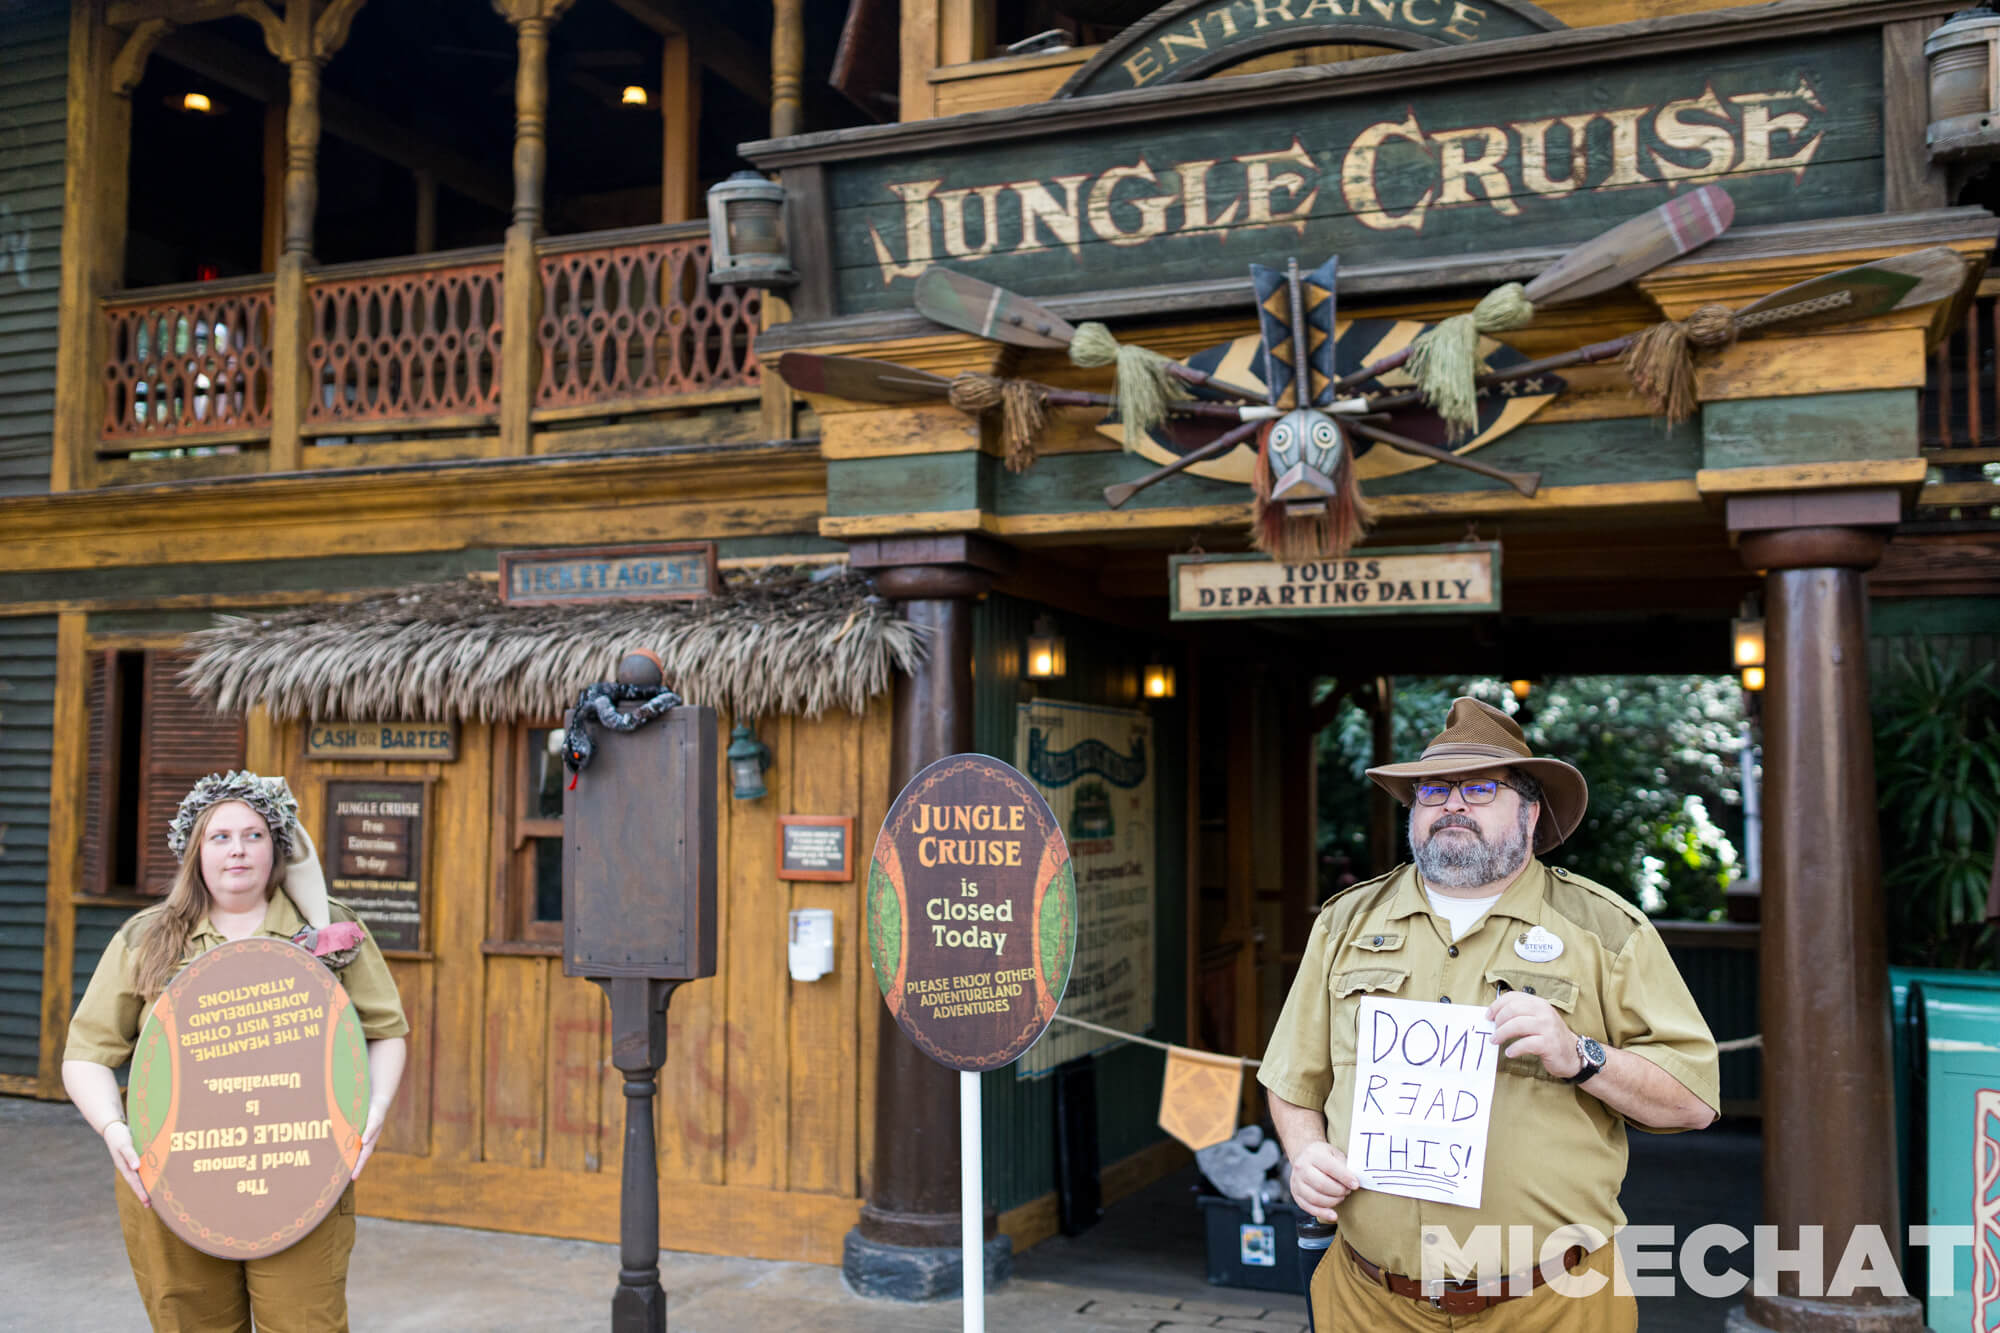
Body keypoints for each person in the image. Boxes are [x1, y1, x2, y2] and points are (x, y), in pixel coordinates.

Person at [1260, 697, 1719, 1329]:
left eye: (1479, 789)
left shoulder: (1608, 932)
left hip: (1552, 1303)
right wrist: (1306, 1154)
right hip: (1368, 1300)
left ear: (1530, 814)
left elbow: (1691, 1102)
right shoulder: (1345, 923)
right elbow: (1293, 1079)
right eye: (1432, 792)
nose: (1452, 805)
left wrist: (1579, 1055)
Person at [62, 771, 409, 1333]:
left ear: (278, 847)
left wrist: (371, 1114)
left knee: (305, 1323)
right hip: (170, 1176)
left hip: (298, 1170)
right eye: (220, 837)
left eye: (254, 835)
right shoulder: (148, 938)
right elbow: (86, 1054)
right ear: (195, 850)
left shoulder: (329, 931)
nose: (238, 851)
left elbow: (383, 1030)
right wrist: (114, 1130)